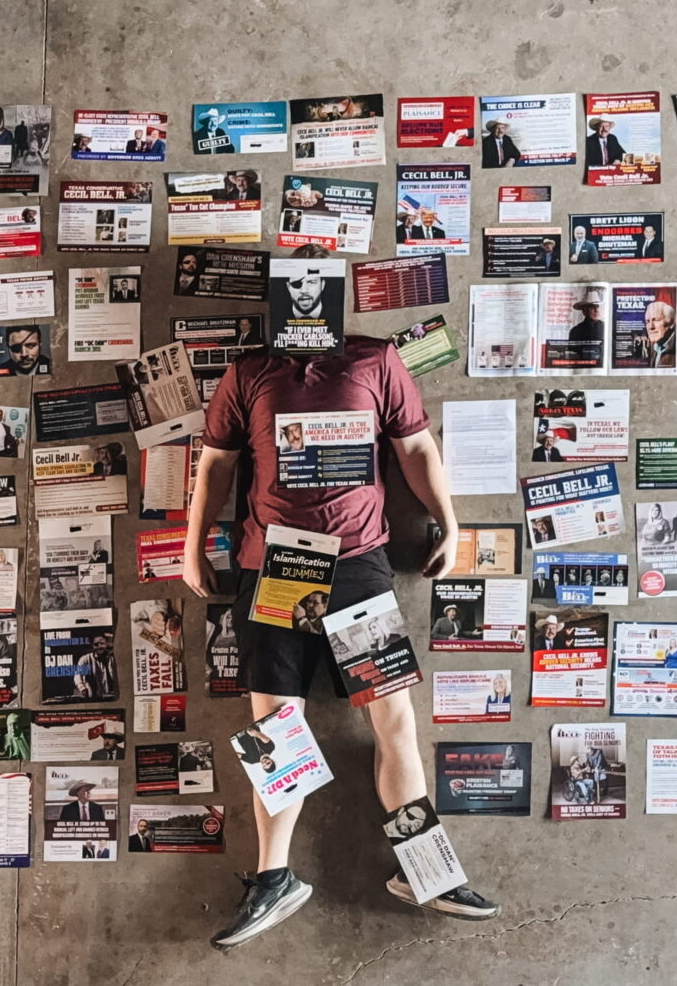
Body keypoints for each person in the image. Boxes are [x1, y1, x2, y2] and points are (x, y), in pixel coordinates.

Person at [186, 332, 498, 950]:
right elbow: (216, 461)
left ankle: (426, 872)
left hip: (356, 566)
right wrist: (194, 545)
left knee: (394, 723)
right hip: (275, 564)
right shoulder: (249, 370)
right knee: (277, 730)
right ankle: (273, 878)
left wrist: (452, 519)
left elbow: (415, 446)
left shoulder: (375, 359)